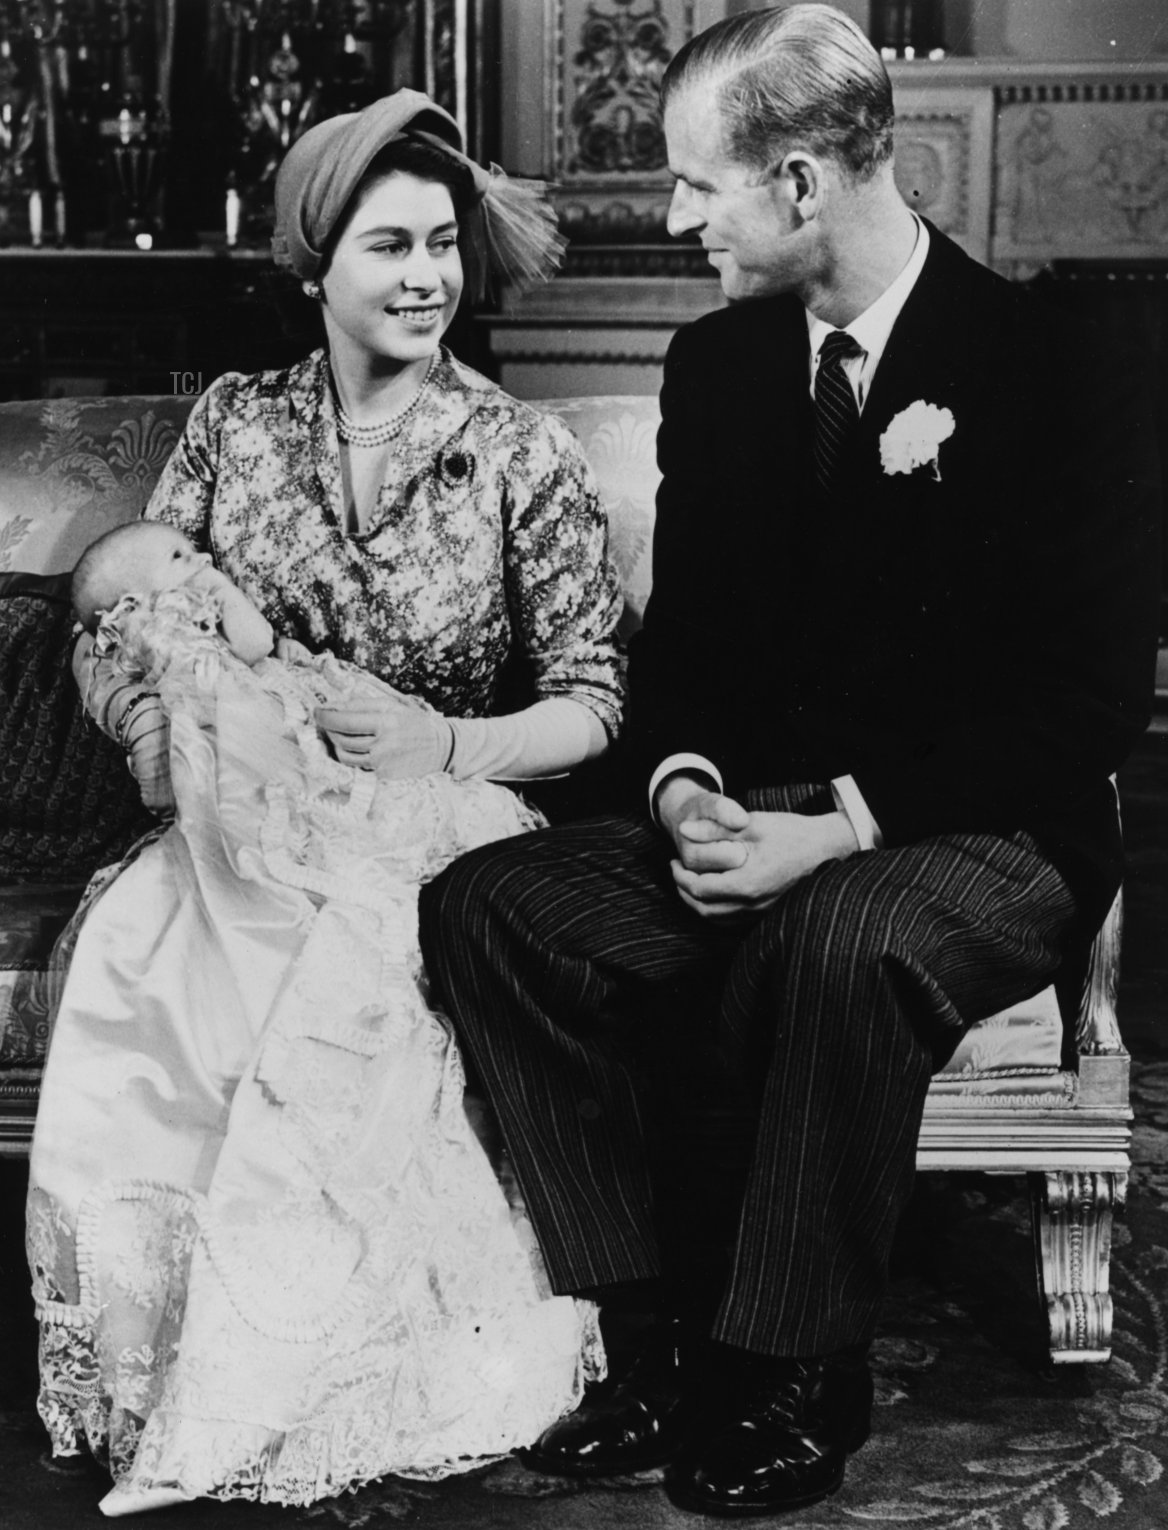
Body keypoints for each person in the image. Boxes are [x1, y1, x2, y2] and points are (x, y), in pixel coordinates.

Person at [419, 6, 1162, 1520]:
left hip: (987, 831)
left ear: (806, 183)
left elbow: (1085, 710)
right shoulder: (719, 366)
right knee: (490, 907)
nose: (679, 216)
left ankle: (789, 1361)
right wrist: (688, 786)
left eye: (702, 184)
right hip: (765, 817)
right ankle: (647, 1336)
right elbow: (687, 651)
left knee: (837, 936)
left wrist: (839, 827)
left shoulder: (1058, 361)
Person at [25, 88, 624, 1515]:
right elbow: (123, 624)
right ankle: (196, 1360)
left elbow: (595, 704)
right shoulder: (234, 428)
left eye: (444, 246)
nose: (427, 277)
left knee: (357, 975)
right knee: (151, 950)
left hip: (442, 818)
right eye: (390, 245)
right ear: (318, 263)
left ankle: (364, 1371)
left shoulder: (522, 454)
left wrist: (444, 743)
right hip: (247, 815)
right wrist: (163, 727)